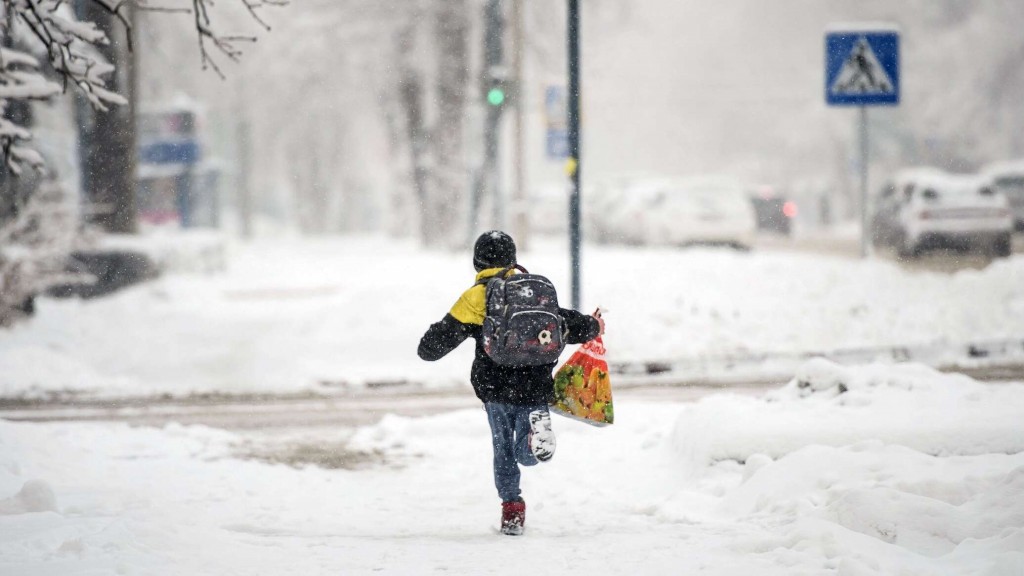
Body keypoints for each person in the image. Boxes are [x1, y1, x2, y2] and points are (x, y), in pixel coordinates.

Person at [417, 230, 604, 535]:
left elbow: (431, 348)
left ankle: (512, 510)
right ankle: (533, 439)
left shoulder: (477, 296)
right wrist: (594, 324)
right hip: (536, 384)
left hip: (496, 386)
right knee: (524, 452)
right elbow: (567, 322)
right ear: (514, 259)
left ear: (477, 262)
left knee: (503, 449)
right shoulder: (535, 290)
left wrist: (433, 337)